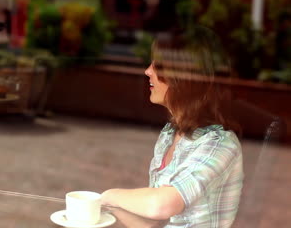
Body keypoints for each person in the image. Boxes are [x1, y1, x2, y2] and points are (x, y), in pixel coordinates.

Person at [101, 26, 244, 227]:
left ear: (183, 77)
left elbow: (162, 205)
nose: (148, 71)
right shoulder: (171, 134)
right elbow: (155, 222)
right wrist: (105, 210)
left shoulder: (220, 145)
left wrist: (109, 196)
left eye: (158, 65)